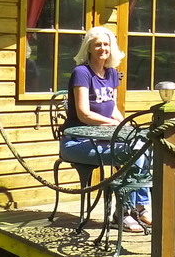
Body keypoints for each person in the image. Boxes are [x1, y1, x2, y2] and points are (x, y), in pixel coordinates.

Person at [59, 26, 151, 232]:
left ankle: (140, 207)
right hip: (76, 142)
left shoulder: (111, 73)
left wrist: (126, 128)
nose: (103, 48)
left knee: (143, 147)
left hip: (102, 139)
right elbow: (84, 114)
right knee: (132, 154)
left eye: (106, 44)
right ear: (89, 48)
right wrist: (115, 126)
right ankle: (123, 213)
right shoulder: (81, 73)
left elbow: (113, 109)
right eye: (97, 44)